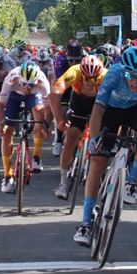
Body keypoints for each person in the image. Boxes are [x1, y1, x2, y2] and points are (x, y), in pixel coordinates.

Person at [73, 47, 137, 245]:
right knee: (97, 162)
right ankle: (85, 223)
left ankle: (130, 181)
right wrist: (94, 140)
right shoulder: (114, 75)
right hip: (111, 110)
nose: (135, 81)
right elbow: (97, 111)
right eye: (130, 76)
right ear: (124, 71)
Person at [50, 55, 107, 199]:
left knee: (102, 141)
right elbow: (55, 94)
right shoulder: (74, 72)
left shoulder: (106, 76)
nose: (89, 81)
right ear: (81, 73)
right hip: (78, 102)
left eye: (94, 78)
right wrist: (59, 120)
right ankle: (63, 182)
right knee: (70, 139)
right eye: (86, 77)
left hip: (98, 103)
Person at [0, 62, 50, 193]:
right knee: (7, 130)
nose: (27, 87)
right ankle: (7, 175)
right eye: (24, 84)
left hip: (34, 97)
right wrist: (1, 123)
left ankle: (36, 155)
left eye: (31, 85)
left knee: (39, 114)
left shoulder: (42, 82)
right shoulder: (11, 79)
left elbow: (49, 108)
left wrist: (45, 125)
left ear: (36, 81)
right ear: (19, 79)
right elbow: (0, 106)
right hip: (14, 95)